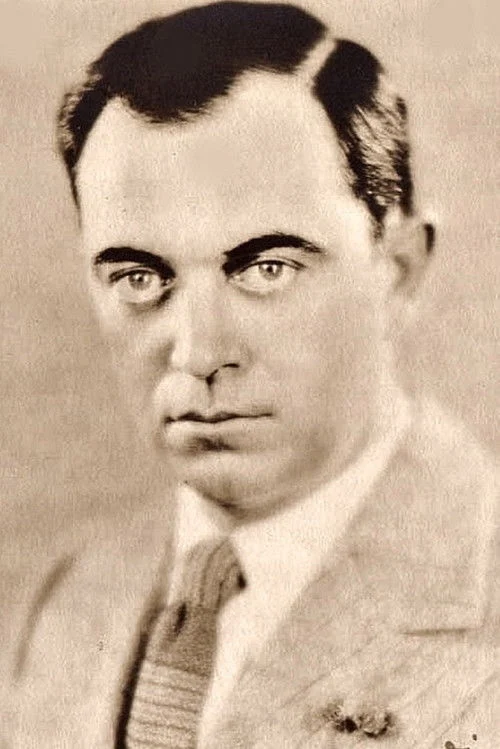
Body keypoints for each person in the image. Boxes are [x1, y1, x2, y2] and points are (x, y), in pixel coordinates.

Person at [3, 2, 498, 747]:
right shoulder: (62, 605)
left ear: (398, 269)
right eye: (139, 277)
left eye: (267, 268)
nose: (200, 352)